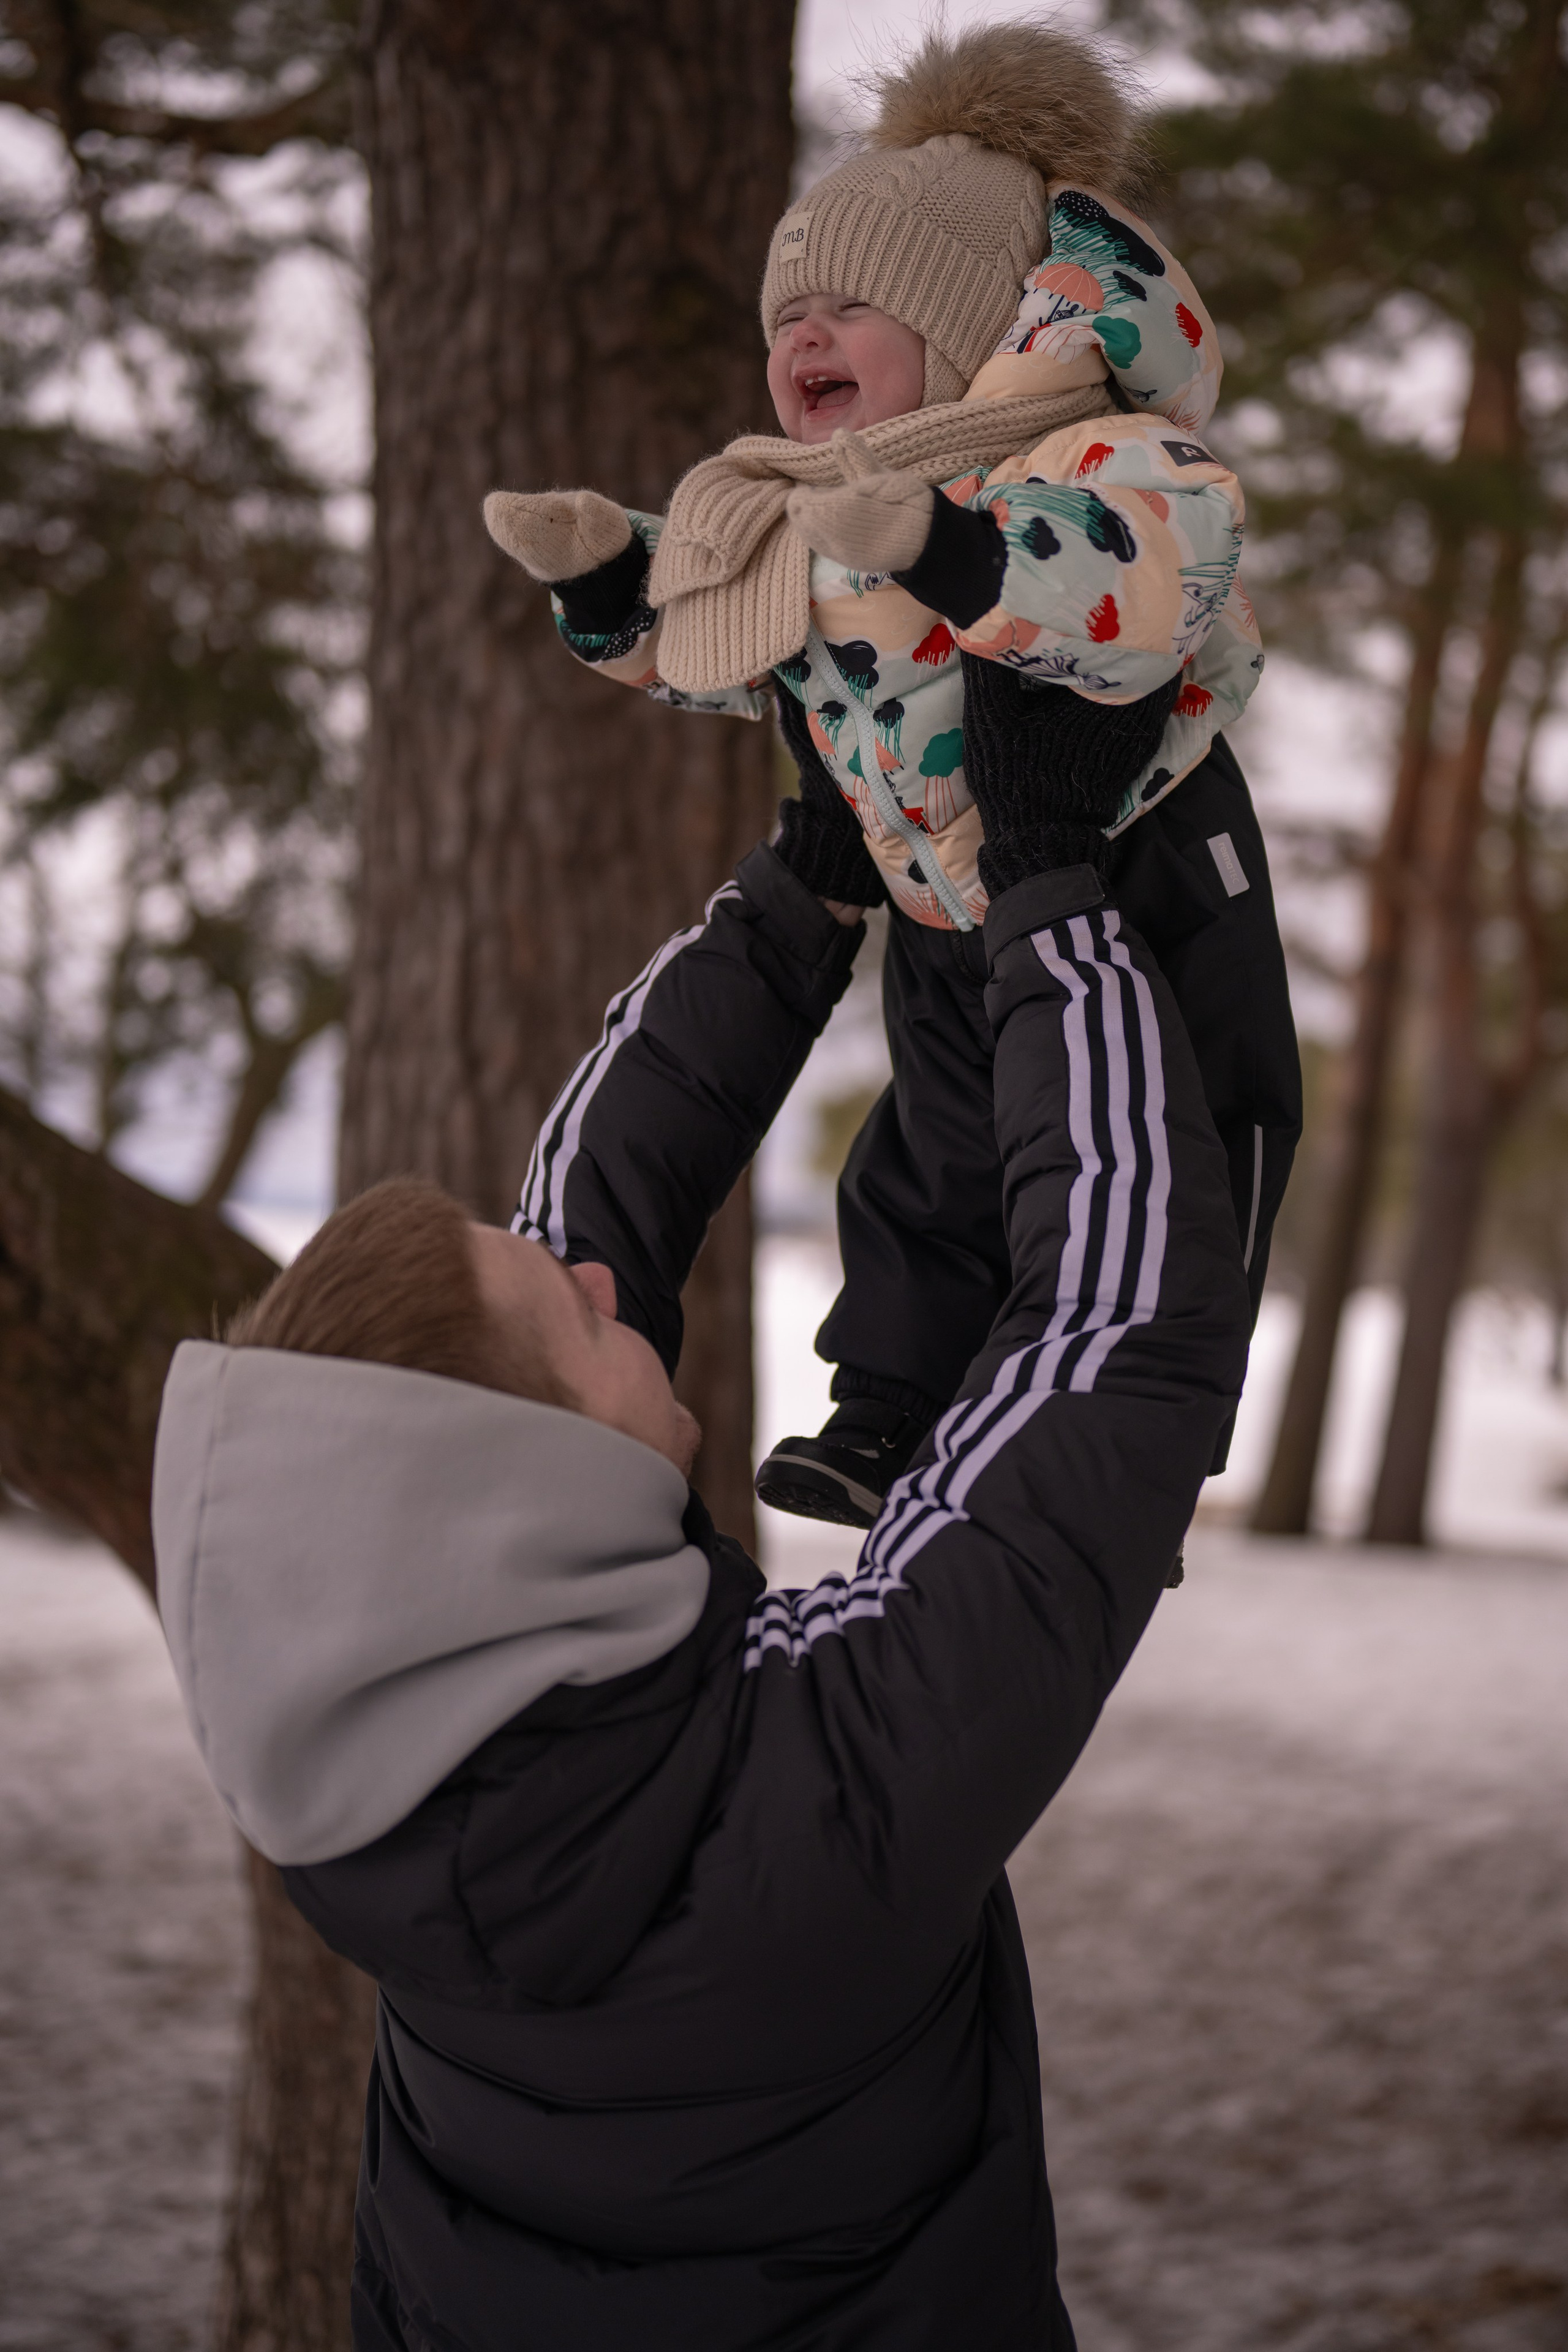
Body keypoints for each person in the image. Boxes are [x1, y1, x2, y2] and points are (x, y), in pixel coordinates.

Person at [154, 766, 1253, 2348]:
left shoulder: (367, 1791)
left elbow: (576, 1230)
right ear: (525, 1491)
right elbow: (1116, 1336)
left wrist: (802, 892)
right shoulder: (818, 1816)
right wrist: (1048, 890)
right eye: (572, 1313)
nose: (602, 1279)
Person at [485, 23, 1299, 1529]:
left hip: (1150, 856)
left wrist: (939, 546)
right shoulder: (807, 514)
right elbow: (745, 657)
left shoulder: (1097, 456)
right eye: (787, 311)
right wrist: (612, 592)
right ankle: (881, 1419)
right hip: (948, 900)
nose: (804, 336)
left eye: (851, 304)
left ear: (966, 319)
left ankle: (1149, 1445)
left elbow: (1131, 595)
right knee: (927, 1167)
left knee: (1190, 1137)